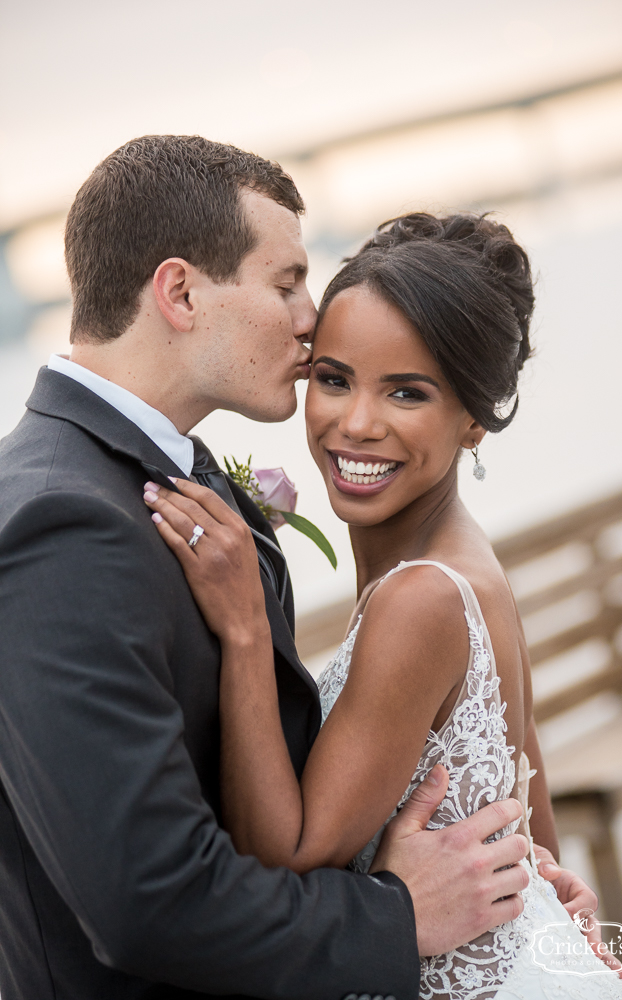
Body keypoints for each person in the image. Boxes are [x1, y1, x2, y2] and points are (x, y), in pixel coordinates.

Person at [0, 137, 548, 1000]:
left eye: (406, 391)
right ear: (179, 291)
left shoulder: (182, 480)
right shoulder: (59, 520)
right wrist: (396, 913)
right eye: (287, 282)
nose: (307, 316)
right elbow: (145, 897)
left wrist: (538, 894)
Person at [144, 212, 622, 997]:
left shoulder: (420, 598)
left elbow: (292, 852)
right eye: (334, 379)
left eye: (407, 392)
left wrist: (242, 629)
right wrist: (548, 890)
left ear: (473, 418)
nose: (357, 424)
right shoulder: (463, 564)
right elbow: (522, 750)